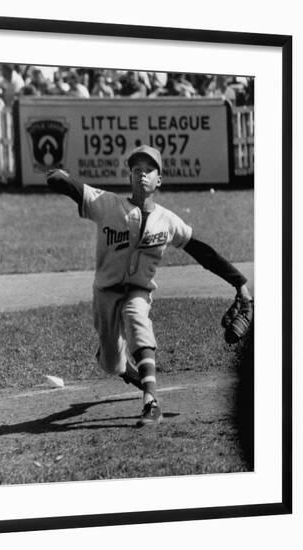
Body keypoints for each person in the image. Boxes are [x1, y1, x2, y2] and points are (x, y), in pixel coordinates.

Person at [46, 145, 253, 427]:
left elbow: (203, 252)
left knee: (136, 319)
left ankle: (151, 401)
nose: (142, 174)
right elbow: (69, 185)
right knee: (111, 364)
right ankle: (127, 369)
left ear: (159, 180)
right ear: (130, 177)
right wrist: (59, 176)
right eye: (136, 170)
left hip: (138, 290)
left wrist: (239, 282)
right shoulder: (107, 204)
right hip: (105, 293)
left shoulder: (167, 221)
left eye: (148, 170)